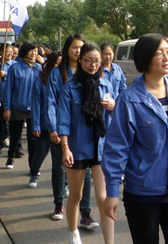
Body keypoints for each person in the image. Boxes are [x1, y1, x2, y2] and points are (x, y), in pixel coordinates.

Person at [102, 33, 168, 244]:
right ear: (145, 58)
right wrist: (112, 191)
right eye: (161, 53)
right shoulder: (129, 100)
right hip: (142, 194)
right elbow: (116, 149)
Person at [58, 42, 115, 244]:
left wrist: (113, 106)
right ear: (80, 60)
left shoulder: (106, 85)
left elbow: (117, 119)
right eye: (88, 60)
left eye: (96, 61)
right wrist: (65, 148)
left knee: (103, 197)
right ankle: (74, 233)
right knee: (76, 195)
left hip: (101, 149)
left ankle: (110, 241)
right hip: (77, 148)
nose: (92, 65)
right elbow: (63, 121)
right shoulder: (70, 87)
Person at [47, 34, 99, 230]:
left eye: (81, 47)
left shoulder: (92, 73)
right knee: (60, 167)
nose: (78, 51)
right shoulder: (58, 74)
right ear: (68, 49)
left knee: (85, 174)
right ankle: (59, 204)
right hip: (63, 129)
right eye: (75, 47)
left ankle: (85, 213)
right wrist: (53, 128)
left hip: (84, 134)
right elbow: (51, 101)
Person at [32, 51, 67, 220]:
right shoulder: (42, 81)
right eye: (56, 64)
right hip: (49, 126)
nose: (58, 67)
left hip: (68, 129)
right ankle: (34, 171)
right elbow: (41, 104)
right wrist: (38, 124)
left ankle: (83, 209)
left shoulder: (70, 77)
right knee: (45, 154)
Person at [3, 41, 42, 170]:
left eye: (35, 51)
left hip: (33, 109)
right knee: (15, 136)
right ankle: (10, 157)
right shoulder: (15, 68)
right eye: (31, 50)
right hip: (17, 107)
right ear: (25, 52)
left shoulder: (39, 68)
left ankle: (33, 166)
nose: (33, 53)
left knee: (33, 140)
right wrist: (7, 108)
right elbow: (8, 89)